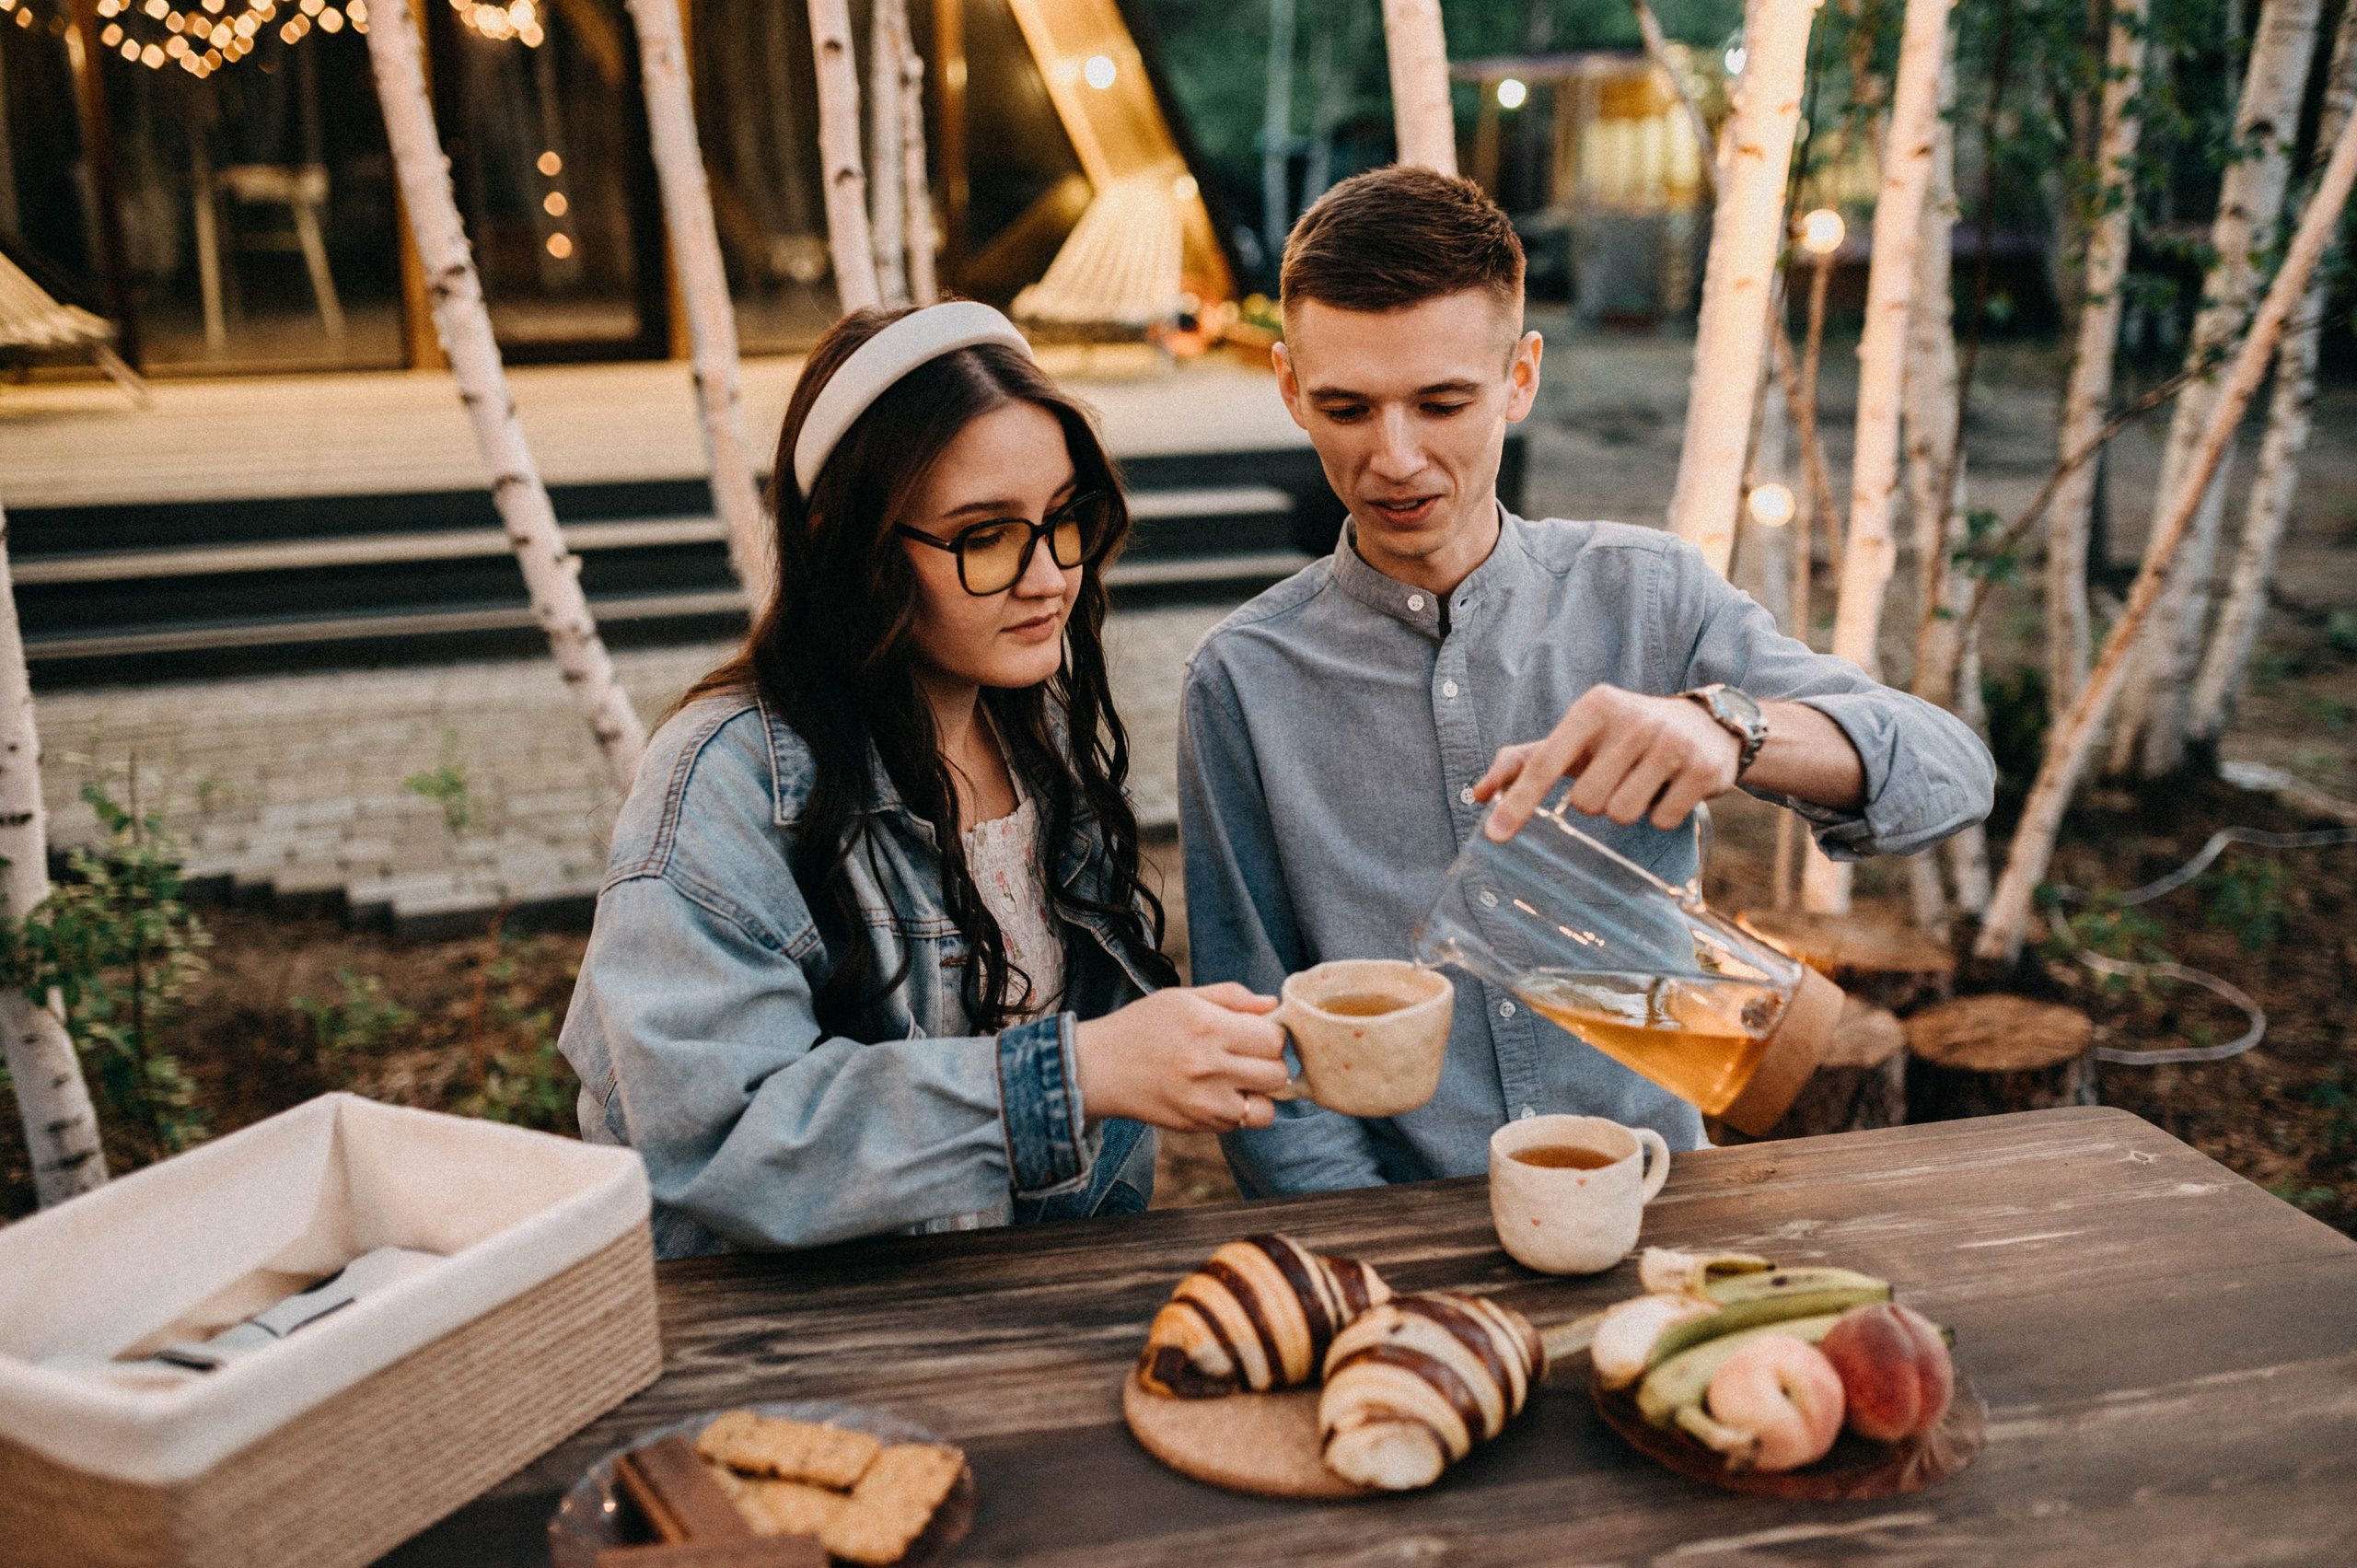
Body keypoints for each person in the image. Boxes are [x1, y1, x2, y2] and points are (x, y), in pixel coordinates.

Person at [1179, 168, 1996, 1197]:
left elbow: (1950, 772)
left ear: (1520, 377)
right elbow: (1258, 1034)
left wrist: (1729, 728)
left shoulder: (1645, 593)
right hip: (1393, 1235)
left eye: (1442, 402)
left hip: (1655, 1200)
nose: (1394, 457)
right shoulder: (1242, 680)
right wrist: (1367, 1251)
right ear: (1290, 385)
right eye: (1347, 406)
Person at [561, 302, 1292, 1259]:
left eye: (1064, 518)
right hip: (774, 1355)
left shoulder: (1043, 743)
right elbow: (720, 1134)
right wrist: (1069, 1074)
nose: (1047, 578)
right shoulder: (726, 781)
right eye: (985, 535)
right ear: (849, 541)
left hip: (998, 1325)